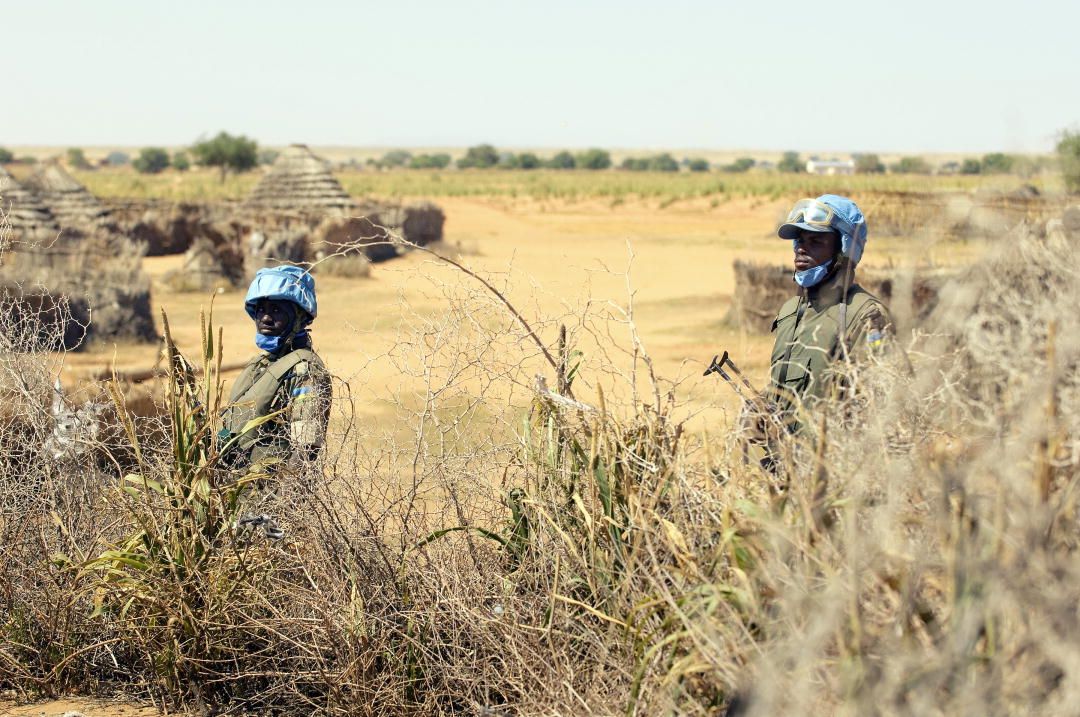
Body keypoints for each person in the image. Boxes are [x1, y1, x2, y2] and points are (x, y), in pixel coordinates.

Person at [765, 194, 893, 434]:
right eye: (799, 240)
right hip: (781, 463)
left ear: (844, 251)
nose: (801, 249)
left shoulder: (865, 315)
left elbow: (880, 405)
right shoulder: (790, 311)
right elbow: (783, 392)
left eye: (815, 241)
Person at [219, 265, 332, 473]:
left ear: (300, 316)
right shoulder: (259, 365)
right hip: (235, 495)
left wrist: (278, 503)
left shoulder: (306, 370)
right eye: (261, 309)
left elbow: (306, 451)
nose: (266, 318)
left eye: (277, 310)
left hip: (269, 498)